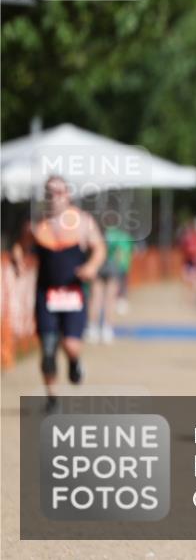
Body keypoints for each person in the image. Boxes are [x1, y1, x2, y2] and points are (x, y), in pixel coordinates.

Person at [12, 175, 106, 412]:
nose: (53, 197)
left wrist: (91, 267)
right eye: (49, 193)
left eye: (58, 192)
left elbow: (99, 249)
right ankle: (52, 398)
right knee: (48, 348)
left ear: (68, 195)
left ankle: (75, 362)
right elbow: (20, 246)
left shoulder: (83, 222)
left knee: (71, 345)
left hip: (74, 293)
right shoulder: (36, 224)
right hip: (46, 294)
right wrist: (18, 258)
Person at [86, 224, 133, 344]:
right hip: (112, 267)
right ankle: (107, 329)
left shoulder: (96, 233)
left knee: (95, 298)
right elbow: (121, 254)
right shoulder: (117, 235)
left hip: (98, 266)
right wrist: (121, 269)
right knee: (109, 299)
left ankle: (93, 328)